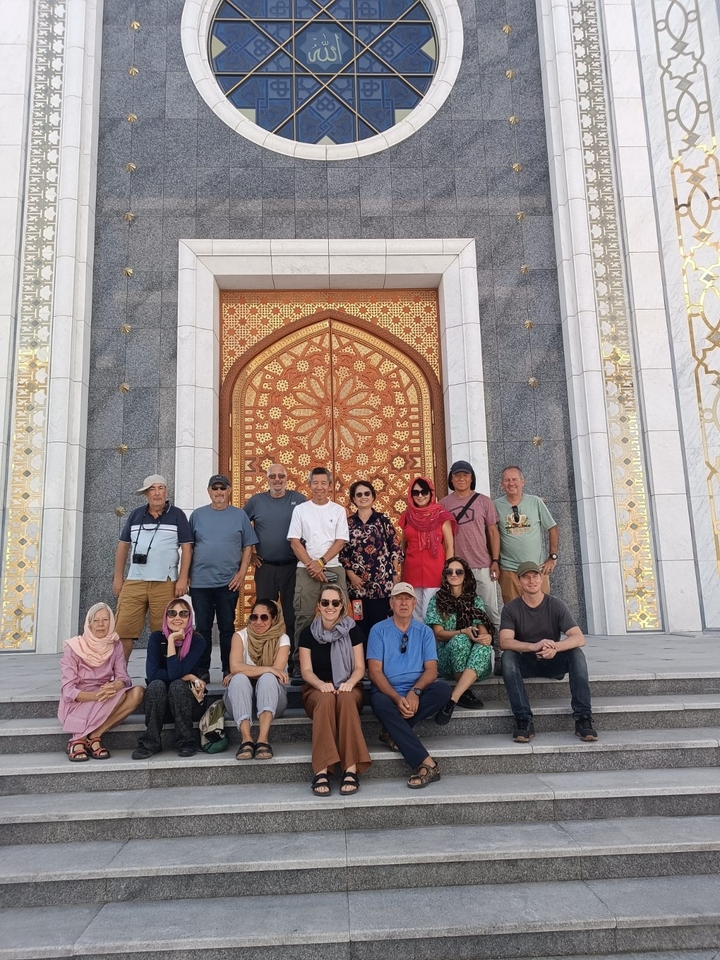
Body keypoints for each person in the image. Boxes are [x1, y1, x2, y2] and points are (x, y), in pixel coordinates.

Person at [499, 561, 597, 743]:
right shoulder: (511, 608)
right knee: (507, 657)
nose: (531, 581)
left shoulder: (556, 605)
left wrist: (555, 647)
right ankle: (523, 720)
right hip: (526, 663)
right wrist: (533, 646)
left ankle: (583, 718)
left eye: (535, 576)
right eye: (526, 577)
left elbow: (578, 638)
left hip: (553, 661)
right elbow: (505, 642)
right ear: (519, 581)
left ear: (541, 578)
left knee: (576, 654)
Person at [367, 582, 451, 788]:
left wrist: (415, 692)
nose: (403, 603)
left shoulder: (424, 632)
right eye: (399, 598)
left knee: (443, 690)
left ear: (415, 603)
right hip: (388, 692)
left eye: (408, 599)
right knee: (378, 700)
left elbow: (431, 669)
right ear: (391, 603)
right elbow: (374, 671)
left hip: (416, 690)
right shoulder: (378, 630)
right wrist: (397, 698)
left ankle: (392, 731)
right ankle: (426, 763)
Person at [299, 584, 371, 795]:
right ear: (318, 606)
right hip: (316, 688)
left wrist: (349, 682)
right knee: (325, 700)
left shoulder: (353, 631)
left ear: (342, 606)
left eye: (335, 602)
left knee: (347, 699)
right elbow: (306, 671)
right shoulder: (308, 634)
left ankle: (350, 768)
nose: (330, 607)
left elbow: (360, 667)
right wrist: (321, 684)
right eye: (325, 602)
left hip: (349, 685)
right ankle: (321, 769)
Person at [113, 474, 193, 662]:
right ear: (146, 494)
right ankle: (119, 678)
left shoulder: (177, 515)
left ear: (166, 491)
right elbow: (123, 546)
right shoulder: (135, 515)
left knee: (166, 632)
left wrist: (183, 578)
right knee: (123, 630)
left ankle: (164, 676)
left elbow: (187, 549)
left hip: (165, 583)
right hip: (135, 581)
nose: (157, 493)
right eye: (152, 489)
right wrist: (118, 577)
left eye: (161, 488)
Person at [189, 474, 258, 682]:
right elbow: (188, 547)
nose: (219, 492)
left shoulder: (239, 516)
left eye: (222, 488)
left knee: (227, 627)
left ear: (229, 491)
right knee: (202, 628)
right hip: (200, 582)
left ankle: (229, 668)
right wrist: (185, 576)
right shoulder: (197, 515)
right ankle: (202, 669)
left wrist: (241, 573)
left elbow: (248, 546)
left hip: (228, 582)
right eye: (215, 488)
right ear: (209, 491)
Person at [58, 603, 144, 761]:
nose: (101, 624)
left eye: (105, 619)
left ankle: (95, 735)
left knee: (137, 692)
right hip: (80, 699)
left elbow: (124, 678)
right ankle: (77, 739)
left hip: (104, 695)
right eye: (96, 620)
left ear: (111, 622)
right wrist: (95, 696)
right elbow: (68, 690)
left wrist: (114, 685)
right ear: (89, 623)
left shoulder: (115, 644)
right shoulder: (74, 647)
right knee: (107, 698)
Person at [288, 467, 349, 670]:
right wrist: (311, 566)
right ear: (310, 484)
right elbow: (295, 542)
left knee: (340, 614)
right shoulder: (301, 510)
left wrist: (320, 563)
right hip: (305, 570)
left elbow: (340, 542)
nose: (320, 487)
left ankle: (342, 659)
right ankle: (299, 662)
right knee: (303, 616)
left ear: (330, 486)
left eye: (324, 483)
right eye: (316, 483)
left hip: (333, 567)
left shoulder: (338, 510)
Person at [131, 598, 207, 759]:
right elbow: (152, 675)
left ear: (189, 618)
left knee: (177, 685)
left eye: (183, 613)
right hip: (158, 704)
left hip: (187, 704)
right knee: (157, 685)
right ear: (166, 617)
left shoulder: (197, 641)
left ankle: (186, 741)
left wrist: (171, 641)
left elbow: (174, 674)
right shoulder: (156, 638)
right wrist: (190, 676)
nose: (177, 617)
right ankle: (150, 742)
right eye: (172, 613)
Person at [243, 464, 306, 648]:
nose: (277, 480)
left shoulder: (299, 499)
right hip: (266, 568)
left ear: (287, 479)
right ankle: (264, 656)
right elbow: (238, 527)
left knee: (292, 614)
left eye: (281, 476)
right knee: (264, 614)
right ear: (267, 479)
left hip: (293, 567)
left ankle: (294, 661)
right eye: (273, 476)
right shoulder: (256, 501)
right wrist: (249, 554)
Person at [426, 556, 494, 723]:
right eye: (449, 571)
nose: (453, 574)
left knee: (485, 646)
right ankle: (463, 692)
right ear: (445, 575)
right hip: (447, 661)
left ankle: (453, 698)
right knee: (460, 640)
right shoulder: (437, 600)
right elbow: (439, 634)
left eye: (458, 571)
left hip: (475, 663)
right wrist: (463, 631)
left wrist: (486, 637)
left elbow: (483, 633)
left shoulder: (475, 600)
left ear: (466, 576)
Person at [223, 598, 290, 760]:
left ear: (274, 619)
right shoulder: (240, 636)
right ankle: (246, 740)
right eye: (254, 617)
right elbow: (235, 667)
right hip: (240, 701)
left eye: (264, 617)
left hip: (272, 701)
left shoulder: (282, 638)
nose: (258, 622)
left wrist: (244, 670)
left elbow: (278, 672)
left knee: (267, 679)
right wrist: (268, 668)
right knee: (239, 679)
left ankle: (263, 739)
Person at [440, 460, 501, 629]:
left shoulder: (484, 501)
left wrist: (495, 560)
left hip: (483, 565)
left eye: (465, 475)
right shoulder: (443, 505)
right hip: (457, 569)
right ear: (451, 480)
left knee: (490, 609)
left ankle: (499, 651)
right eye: (457, 475)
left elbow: (493, 532)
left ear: (471, 478)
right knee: (458, 611)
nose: (461, 479)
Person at [340, 480, 402, 642]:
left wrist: (395, 573)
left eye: (367, 493)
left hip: (382, 585)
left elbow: (395, 548)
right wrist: (351, 575)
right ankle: (363, 664)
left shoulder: (383, 520)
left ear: (373, 496)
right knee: (360, 624)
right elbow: (343, 553)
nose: (363, 497)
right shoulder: (348, 524)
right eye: (359, 494)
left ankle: (381, 662)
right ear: (353, 499)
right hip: (358, 586)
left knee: (381, 624)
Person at [494, 465, 559, 603]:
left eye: (514, 479)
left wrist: (552, 557)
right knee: (513, 612)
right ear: (501, 484)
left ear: (523, 482)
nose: (511, 483)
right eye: (507, 480)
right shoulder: (495, 505)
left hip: (536, 569)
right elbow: (491, 535)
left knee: (541, 610)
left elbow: (552, 527)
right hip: (509, 570)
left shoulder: (535, 502)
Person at [398, 476, 455, 620]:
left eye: (424, 492)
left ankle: (432, 643)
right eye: (415, 492)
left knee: (430, 614)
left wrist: (448, 572)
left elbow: (449, 546)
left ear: (431, 493)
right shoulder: (407, 517)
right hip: (412, 571)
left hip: (435, 571)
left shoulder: (441, 516)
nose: (420, 496)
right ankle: (418, 643)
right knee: (414, 614)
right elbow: (403, 547)